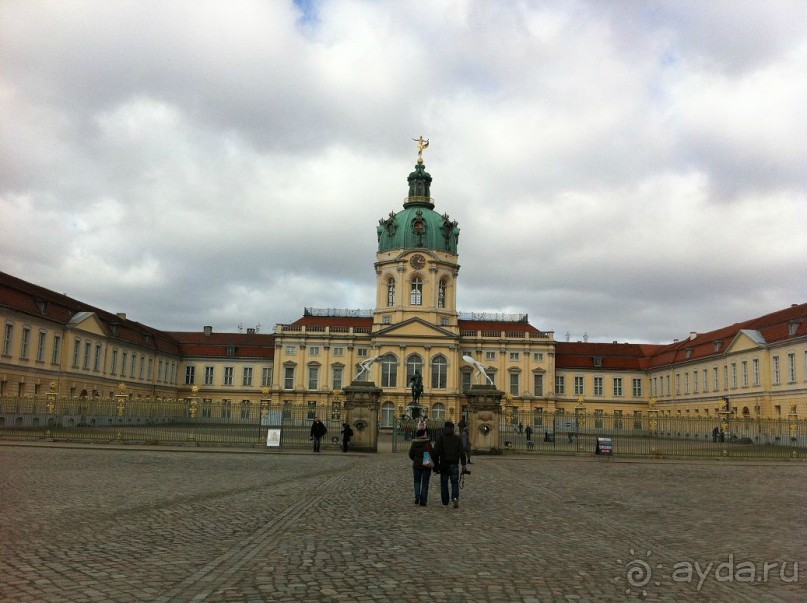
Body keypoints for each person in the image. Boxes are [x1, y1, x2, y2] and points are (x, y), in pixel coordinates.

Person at [432, 420, 467, 509]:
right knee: (454, 483)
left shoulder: (440, 438)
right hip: (454, 464)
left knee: (444, 483)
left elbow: (435, 452)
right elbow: (462, 452)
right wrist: (463, 464)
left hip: (444, 464)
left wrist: (436, 465)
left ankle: (445, 501)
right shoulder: (457, 438)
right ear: (452, 428)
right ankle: (455, 498)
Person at [408, 428, 432, 506]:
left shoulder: (414, 443)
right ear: (423, 434)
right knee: (425, 483)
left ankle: (417, 495)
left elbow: (411, 454)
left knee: (417, 481)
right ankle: (423, 501)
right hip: (426, 464)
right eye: (424, 433)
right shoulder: (427, 443)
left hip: (417, 465)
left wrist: (415, 459)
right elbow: (432, 453)